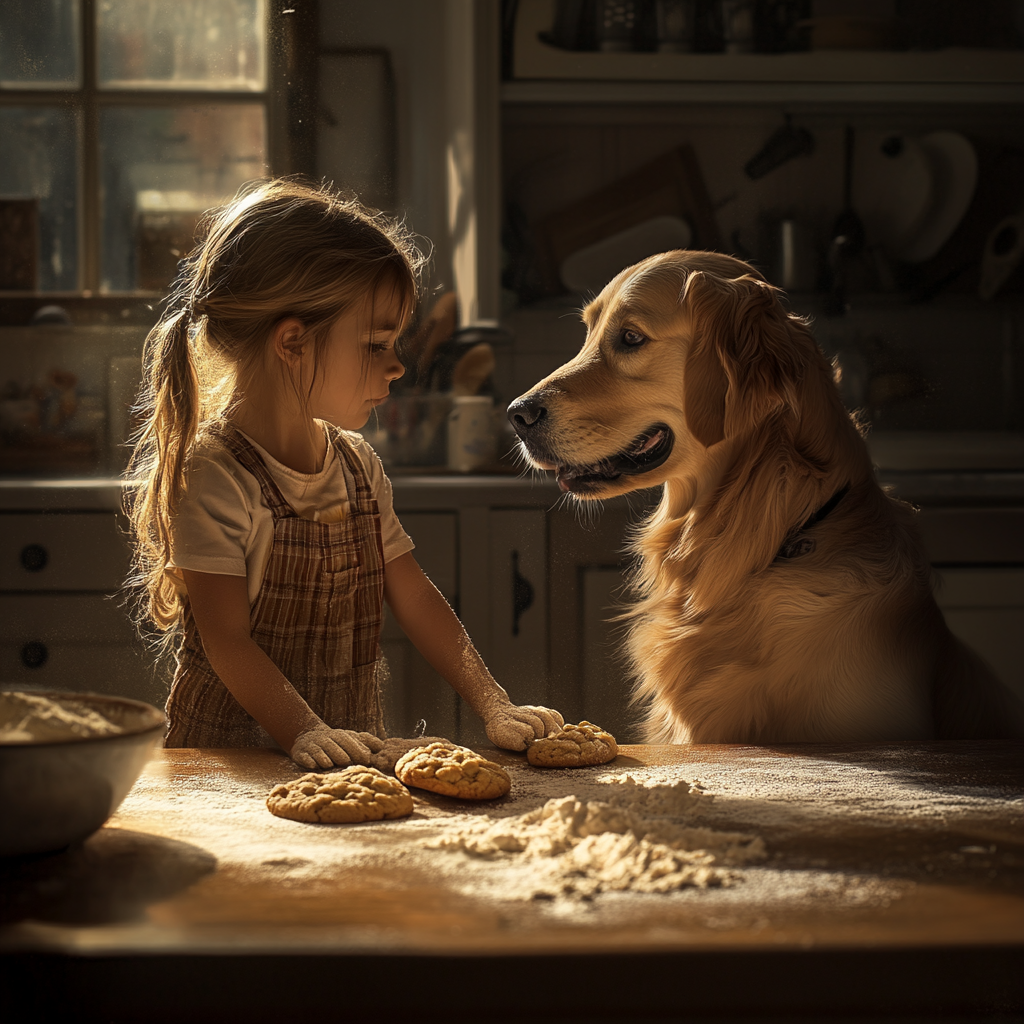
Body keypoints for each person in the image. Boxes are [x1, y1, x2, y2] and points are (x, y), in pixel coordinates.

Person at [127, 178, 563, 770]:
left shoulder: (357, 465)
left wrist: (493, 704)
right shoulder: (216, 476)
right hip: (230, 765)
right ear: (293, 343)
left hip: (344, 755)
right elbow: (227, 641)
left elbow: (414, 596)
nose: (398, 366)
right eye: (376, 344)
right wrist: (305, 731)